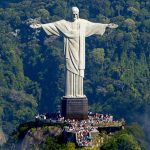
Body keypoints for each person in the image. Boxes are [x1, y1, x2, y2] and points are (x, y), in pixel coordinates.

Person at [30, 7, 118, 97]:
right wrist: (41, 26)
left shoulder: (83, 23)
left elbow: (94, 26)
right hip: (70, 51)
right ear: (70, 14)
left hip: (80, 52)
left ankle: (79, 94)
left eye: (76, 14)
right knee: (69, 71)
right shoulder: (64, 24)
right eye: (73, 14)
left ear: (78, 14)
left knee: (79, 72)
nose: (74, 16)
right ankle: (69, 94)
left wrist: (106, 26)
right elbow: (53, 25)